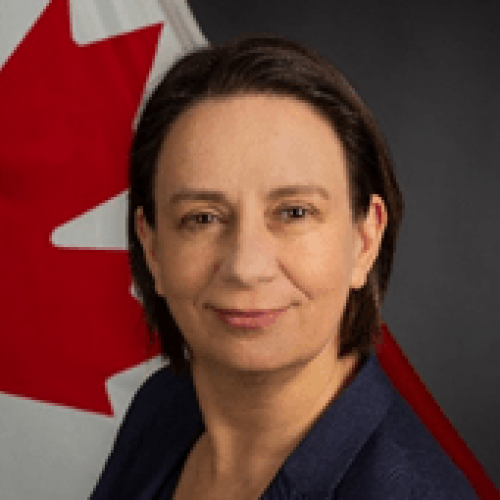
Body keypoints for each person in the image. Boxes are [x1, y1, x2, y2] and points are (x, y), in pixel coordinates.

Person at [90, 34, 477, 499]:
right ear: (152, 248)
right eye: (202, 218)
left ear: (365, 239)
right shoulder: (163, 407)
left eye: (294, 212)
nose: (246, 266)